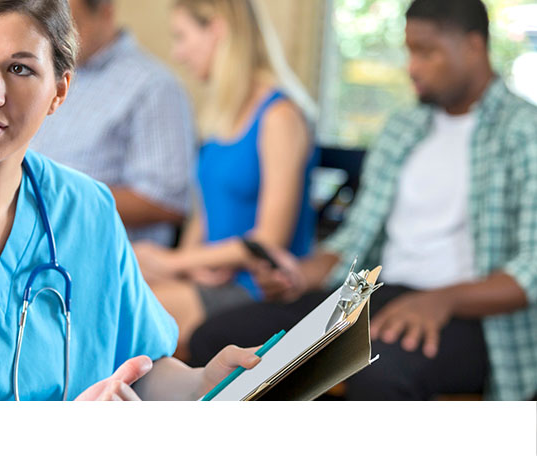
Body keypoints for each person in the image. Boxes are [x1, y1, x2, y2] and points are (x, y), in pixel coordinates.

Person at [0, 0, 260, 401]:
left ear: (59, 91)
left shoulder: (87, 210)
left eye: (20, 68)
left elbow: (142, 369)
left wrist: (202, 383)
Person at [191, 0, 537, 401]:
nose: (413, 67)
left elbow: (532, 266)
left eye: (428, 52)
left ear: (475, 46)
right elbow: (354, 240)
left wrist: (442, 299)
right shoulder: (402, 129)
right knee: (218, 338)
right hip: (374, 295)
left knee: (378, 373)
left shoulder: (524, 132)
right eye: (409, 51)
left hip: (473, 314)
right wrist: (300, 275)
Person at [133, 0, 318, 357]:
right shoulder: (222, 118)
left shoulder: (280, 116)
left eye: (182, 37)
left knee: (129, 312)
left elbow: (268, 243)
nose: (178, 52)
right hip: (213, 281)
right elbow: (205, 214)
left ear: (217, 29)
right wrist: (188, 267)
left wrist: (171, 262)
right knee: (108, 290)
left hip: (255, 289)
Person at [29, 0, 195, 246]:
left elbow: (168, 201)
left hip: (105, 259)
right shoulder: (51, 76)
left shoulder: (152, 86)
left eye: (70, 27)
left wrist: (55, 197)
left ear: (105, 12)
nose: (57, 40)